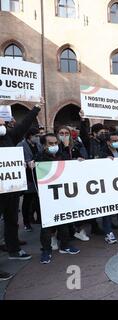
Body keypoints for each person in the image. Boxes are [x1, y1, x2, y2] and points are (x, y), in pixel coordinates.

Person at [0, 104, 41, 262]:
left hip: (11, 188)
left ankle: (13, 249)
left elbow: (24, 124)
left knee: (12, 220)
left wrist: (36, 108)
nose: (3, 124)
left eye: (3, 122)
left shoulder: (9, 137)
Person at [34, 133, 81, 264]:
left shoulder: (62, 155)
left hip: (62, 195)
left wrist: (77, 162)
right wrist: (31, 166)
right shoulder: (39, 158)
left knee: (64, 222)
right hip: (47, 197)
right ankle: (46, 250)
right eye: (51, 143)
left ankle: (65, 245)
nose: (54, 146)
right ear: (44, 145)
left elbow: (69, 166)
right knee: (47, 225)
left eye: (56, 143)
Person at [16, 127, 42, 231]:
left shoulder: (38, 145)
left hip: (37, 176)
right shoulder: (21, 145)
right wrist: (27, 163)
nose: (37, 138)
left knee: (37, 199)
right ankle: (26, 222)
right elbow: (17, 160)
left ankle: (39, 219)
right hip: (27, 177)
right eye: (36, 136)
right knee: (27, 201)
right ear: (30, 136)